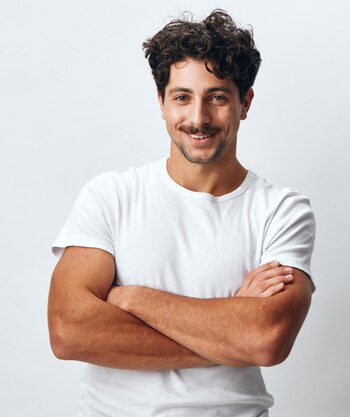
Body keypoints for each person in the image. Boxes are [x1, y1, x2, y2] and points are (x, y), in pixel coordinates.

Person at [47, 9, 315, 417]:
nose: (198, 118)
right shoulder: (111, 196)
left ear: (245, 103)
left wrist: (129, 297)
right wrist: (229, 333)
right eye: (182, 97)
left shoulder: (280, 210)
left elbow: (265, 340)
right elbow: (69, 331)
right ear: (161, 102)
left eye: (218, 97)